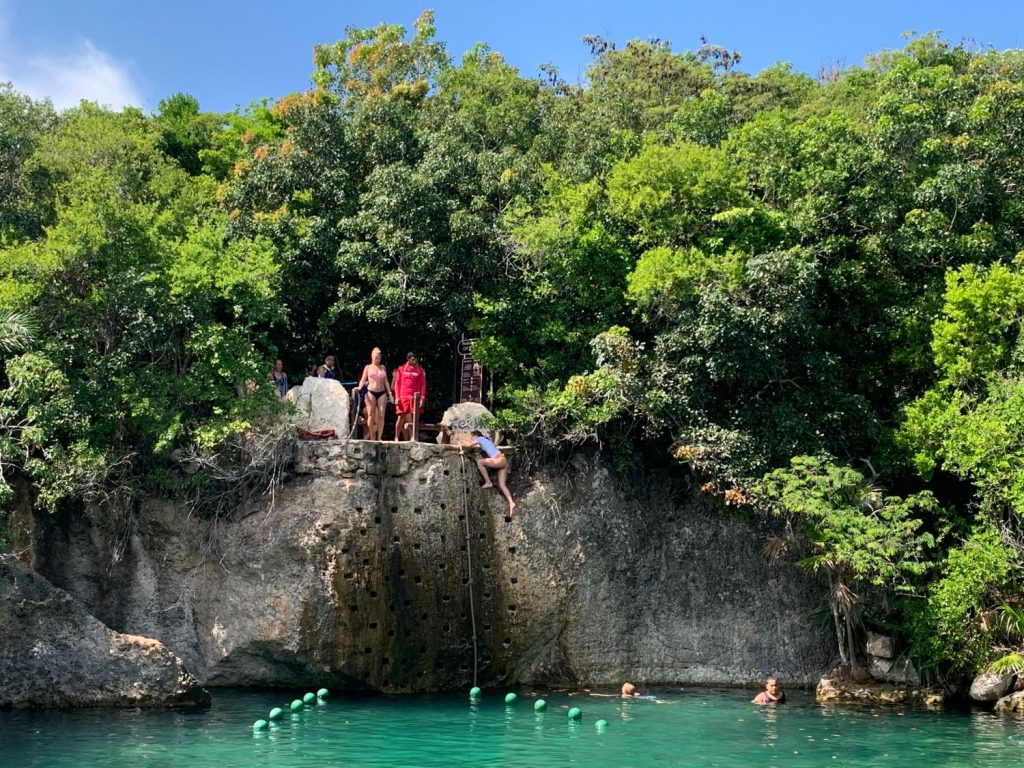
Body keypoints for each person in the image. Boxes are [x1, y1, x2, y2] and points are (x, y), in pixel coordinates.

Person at [469, 429, 516, 516]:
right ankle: (511, 503)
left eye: (472, 437)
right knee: (502, 485)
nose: (472, 439)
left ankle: (488, 482)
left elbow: (469, 445)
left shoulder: (479, 438)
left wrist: (461, 441)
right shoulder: (487, 439)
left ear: (475, 436)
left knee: (479, 462)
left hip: (498, 460)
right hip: (503, 460)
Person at [357, 347, 393, 441]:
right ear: (372, 357)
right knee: (371, 415)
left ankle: (379, 437)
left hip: (382, 392)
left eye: (379, 358)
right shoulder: (368, 367)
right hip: (371, 392)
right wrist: (360, 387)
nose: (377, 360)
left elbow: (386, 381)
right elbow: (363, 379)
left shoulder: (382, 367)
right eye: (376, 358)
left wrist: (390, 394)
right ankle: (372, 437)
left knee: (381, 415)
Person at [392, 352, 426, 442]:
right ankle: (396, 436)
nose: (414, 360)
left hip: (414, 397)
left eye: (416, 359)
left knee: (414, 418)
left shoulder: (420, 370)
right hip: (403, 396)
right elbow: (397, 384)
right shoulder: (401, 369)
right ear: (408, 359)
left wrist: (422, 398)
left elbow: (423, 385)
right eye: (413, 359)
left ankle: (413, 437)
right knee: (401, 417)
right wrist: (397, 397)